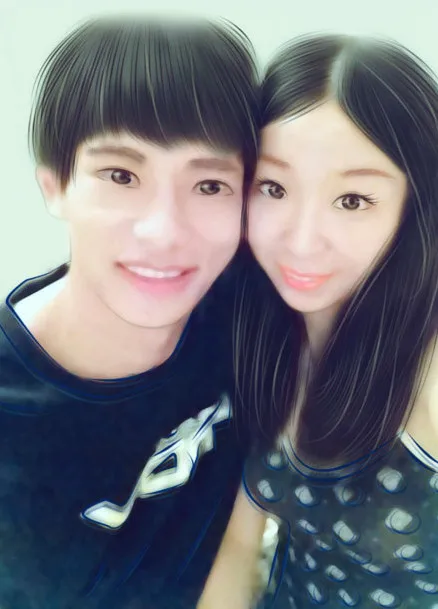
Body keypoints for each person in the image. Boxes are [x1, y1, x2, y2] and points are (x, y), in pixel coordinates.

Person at [0, 15, 259, 609]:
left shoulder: (244, 305)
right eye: (121, 175)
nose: (164, 231)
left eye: (210, 185)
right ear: (54, 185)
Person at [199, 33, 438, 609]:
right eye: (274, 187)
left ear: (414, 206)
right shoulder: (257, 332)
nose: (302, 241)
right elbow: (238, 543)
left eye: (352, 200)